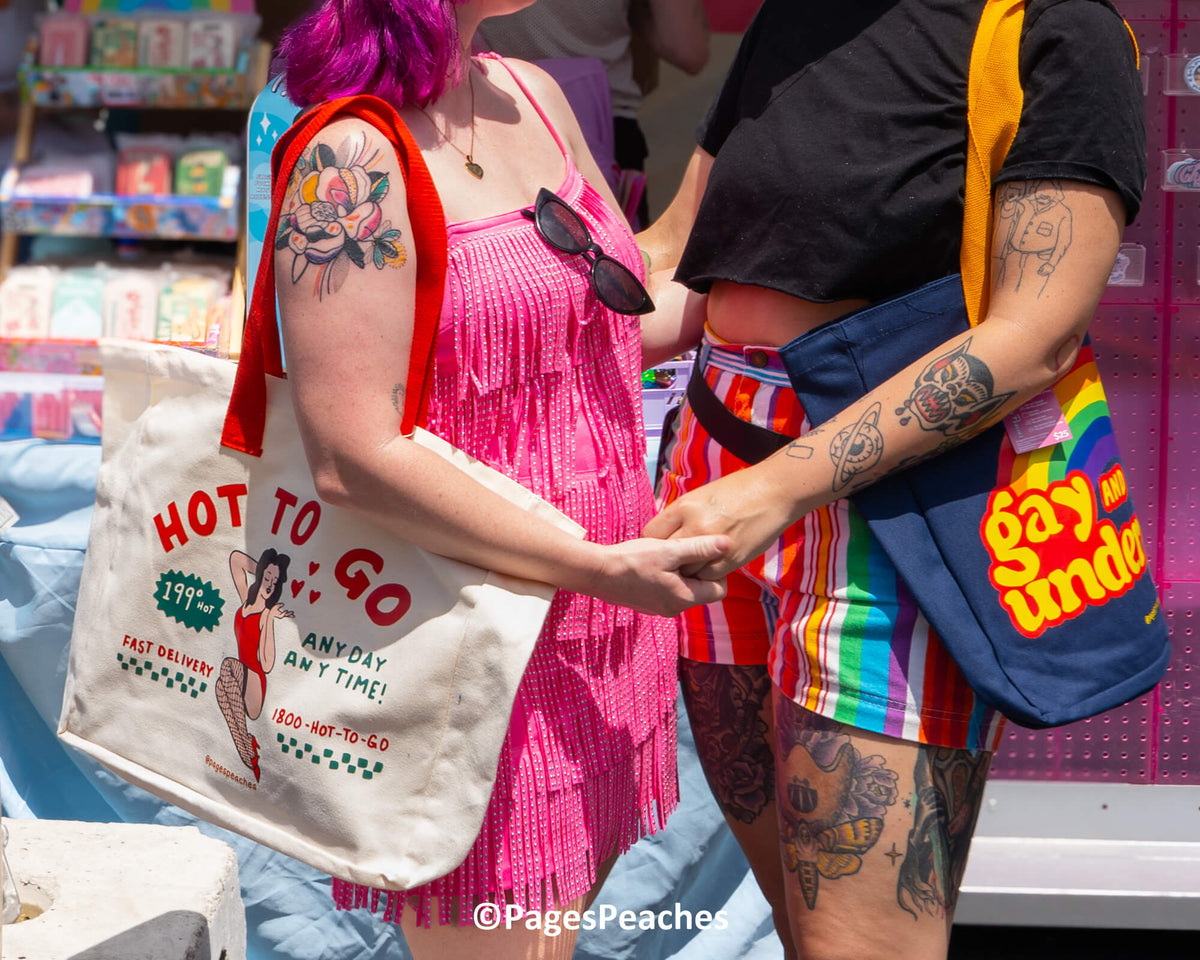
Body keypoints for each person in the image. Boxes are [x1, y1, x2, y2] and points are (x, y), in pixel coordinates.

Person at [637, 1, 1146, 958]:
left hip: (889, 504)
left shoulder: (1057, 26)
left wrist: (775, 489)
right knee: (801, 924)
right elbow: (678, 260)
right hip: (715, 469)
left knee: (861, 946)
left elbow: (1033, 336)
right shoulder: (800, 20)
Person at [272, 0, 727, 956]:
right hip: (475, 637)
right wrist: (593, 565)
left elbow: (617, 319)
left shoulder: (534, 91)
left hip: (598, 630)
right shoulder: (349, 157)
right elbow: (351, 453)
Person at [477, 0, 709, 228]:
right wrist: (633, 13)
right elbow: (687, 49)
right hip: (604, 127)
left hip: (491, 119)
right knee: (613, 253)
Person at [214, 547, 294, 781]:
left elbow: (267, 664)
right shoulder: (245, 604)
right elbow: (236, 559)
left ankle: (247, 739)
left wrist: (269, 618)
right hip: (237, 683)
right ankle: (246, 753)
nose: (270, 584)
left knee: (228, 666)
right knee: (220, 688)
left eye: (275, 581)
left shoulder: (265, 614)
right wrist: (262, 569)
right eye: (267, 577)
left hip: (255, 685)